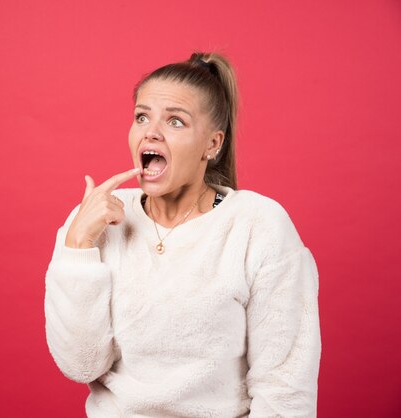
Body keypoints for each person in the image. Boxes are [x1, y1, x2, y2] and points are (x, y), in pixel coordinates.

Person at [44, 52, 321, 417]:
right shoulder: (97, 221)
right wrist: (77, 247)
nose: (151, 131)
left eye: (175, 121)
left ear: (213, 144)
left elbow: (285, 388)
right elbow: (81, 365)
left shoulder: (258, 225)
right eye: (142, 116)